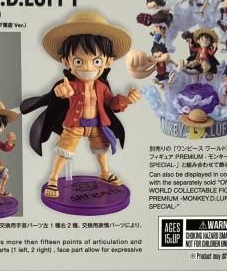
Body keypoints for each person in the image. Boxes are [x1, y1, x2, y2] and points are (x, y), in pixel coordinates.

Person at [20, 11, 140, 199]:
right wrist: (61, 93)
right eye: (78, 61)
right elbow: (61, 92)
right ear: (66, 61)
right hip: (74, 126)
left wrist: (126, 100)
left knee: (101, 151)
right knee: (64, 151)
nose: (88, 67)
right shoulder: (72, 85)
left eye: (96, 61)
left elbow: (112, 103)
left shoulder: (101, 87)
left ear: (108, 61)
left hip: (97, 125)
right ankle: (53, 178)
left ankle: (104, 172)